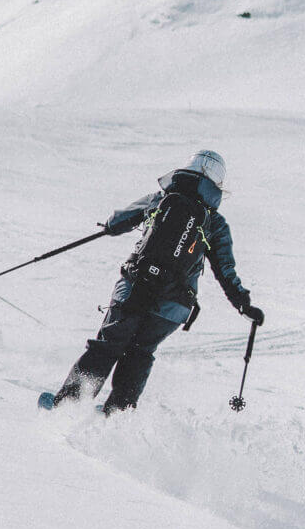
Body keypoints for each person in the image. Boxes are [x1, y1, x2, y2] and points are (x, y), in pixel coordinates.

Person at [43, 149, 263, 415]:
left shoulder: (160, 199)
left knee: (107, 346)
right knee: (140, 353)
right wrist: (243, 304)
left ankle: (67, 406)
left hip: (134, 289)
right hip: (173, 306)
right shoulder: (214, 222)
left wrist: (110, 226)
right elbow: (225, 270)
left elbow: (117, 222)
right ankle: (116, 417)